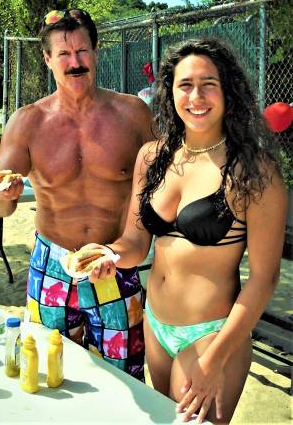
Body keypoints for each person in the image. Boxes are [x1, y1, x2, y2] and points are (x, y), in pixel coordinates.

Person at [83, 38, 288, 423]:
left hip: (211, 333)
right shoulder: (152, 156)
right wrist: (110, 254)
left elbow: (265, 278)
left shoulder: (255, 173)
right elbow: (135, 240)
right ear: (170, 92)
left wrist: (215, 358)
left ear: (228, 89)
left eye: (209, 83)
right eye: (185, 85)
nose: (197, 96)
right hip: (155, 323)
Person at [0, 8, 154, 381]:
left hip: (116, 263)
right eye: (63, 54)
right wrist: (2, 191)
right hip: (51, 267)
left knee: (123, 376)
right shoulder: (27, 122)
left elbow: (163, 186)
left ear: (97, 51)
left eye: (82, 51)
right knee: (46, 369)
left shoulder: (133, 115)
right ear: (47, 59)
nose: (75, 63)